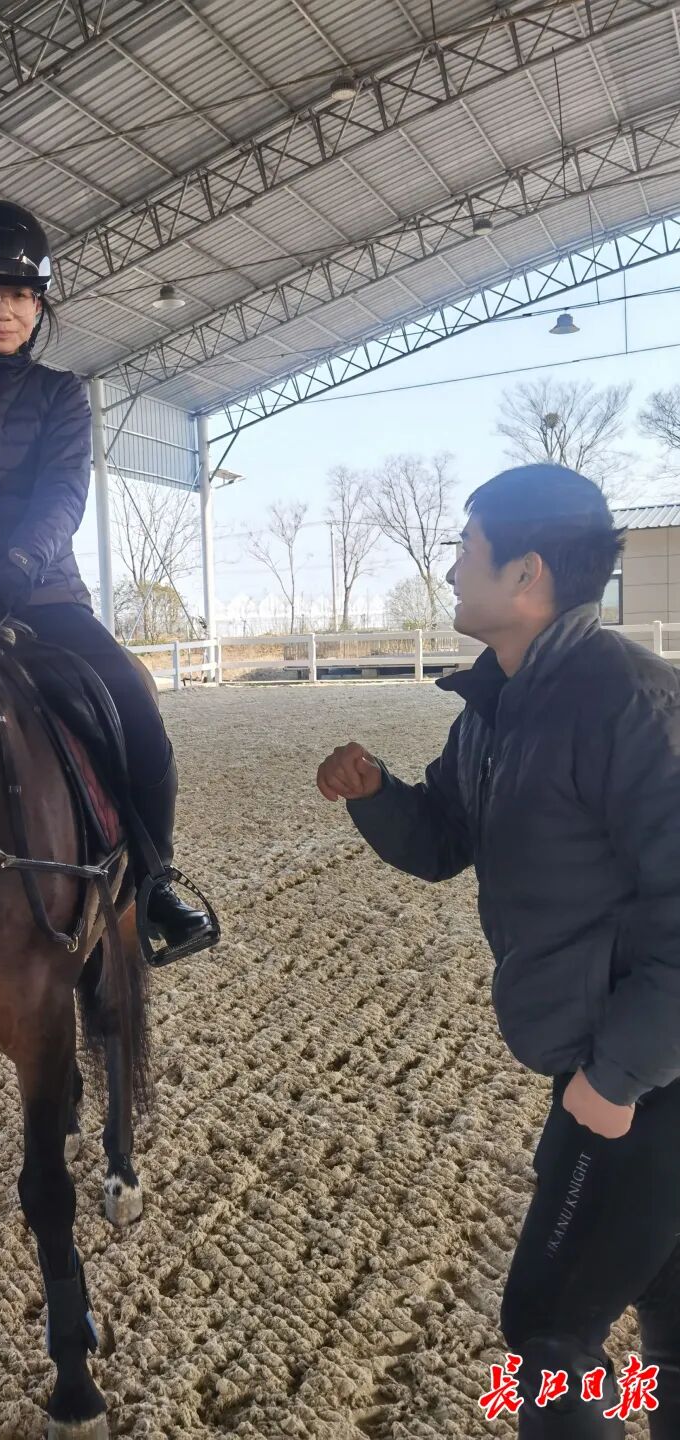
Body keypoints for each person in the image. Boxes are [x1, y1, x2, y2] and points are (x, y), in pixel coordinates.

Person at [316, 465, 680, 1438]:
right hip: (623, 1069)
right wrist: (374, 793)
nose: (447, 568)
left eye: (463, 548)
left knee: (550, 1333)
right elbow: (441, 840)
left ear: (525, 575)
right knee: (671, 1323)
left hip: (647, 1083)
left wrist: (614, 1079)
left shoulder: (628, 706)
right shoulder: (495, 713)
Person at [0, 198, 215, 958]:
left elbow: (63, 493)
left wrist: (20, 565)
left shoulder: (62, 394)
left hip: (43, 593)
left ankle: (154, 881)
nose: (4, 310)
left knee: (137, 709)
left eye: (20, 296)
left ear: (37, 309)